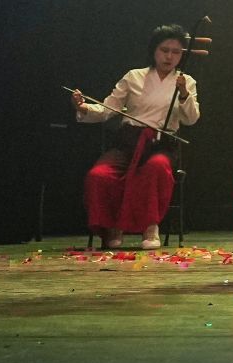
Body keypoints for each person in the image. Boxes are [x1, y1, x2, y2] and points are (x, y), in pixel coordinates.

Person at [73, 24, 199, 249]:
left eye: (176, 52)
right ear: (154, 50)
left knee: (156, 168)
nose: (169, 56)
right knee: (98, 175)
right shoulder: (134, 77)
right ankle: (112, 228)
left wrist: (183, 94)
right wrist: (83, 108)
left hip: (161, 144)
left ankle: (150, 228)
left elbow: (191, 119)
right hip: (129, 142)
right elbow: (108, 108)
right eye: (164, 50)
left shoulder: (186, 81)